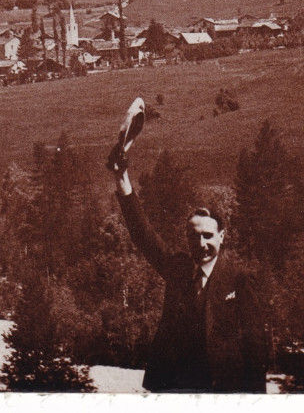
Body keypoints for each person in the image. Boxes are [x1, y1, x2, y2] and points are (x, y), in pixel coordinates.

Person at [110, 158, 270, 393]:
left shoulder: (239, 280)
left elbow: (256, 347)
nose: (201, 243)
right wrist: (121, 179)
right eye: (194, 236)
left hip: (221, 391)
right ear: (186, 238)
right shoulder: (178, 269)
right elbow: (143, 234)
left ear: (221, 236)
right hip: (174, 387)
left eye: (207, 236)